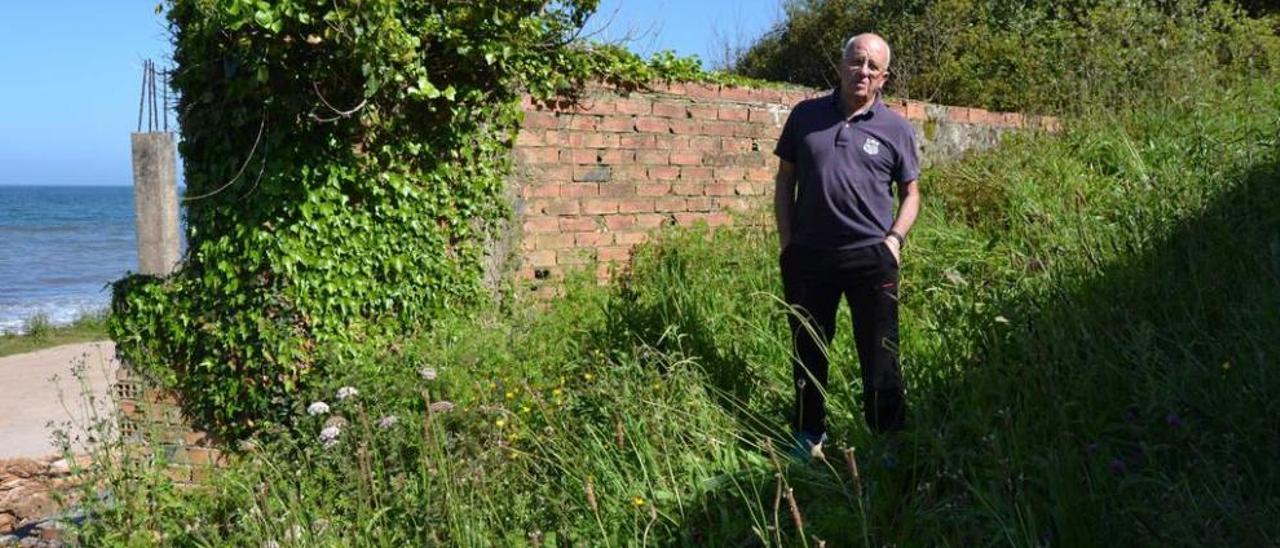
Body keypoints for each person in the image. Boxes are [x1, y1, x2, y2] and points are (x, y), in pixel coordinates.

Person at [773, 33, 921, 458]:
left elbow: (911, 192)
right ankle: (809, 434)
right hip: (808, 256)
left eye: (874, 67)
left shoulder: (896, 128)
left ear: (884, 78)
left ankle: (887, 442)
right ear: (841, 66)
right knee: (808, 350)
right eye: (857, 62)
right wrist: (787, 243)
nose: (864, 71)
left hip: (871, 259)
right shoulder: (805, 116)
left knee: (880, 355)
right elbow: (786, 180)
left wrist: (894, 240)